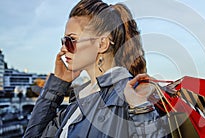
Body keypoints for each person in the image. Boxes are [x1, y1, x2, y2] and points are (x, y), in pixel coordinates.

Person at [23, 0, 170, 137]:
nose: (63, 49)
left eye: (70, 40)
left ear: (102, 44)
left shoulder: (131, 95)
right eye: (63, 41)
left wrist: (141, 110)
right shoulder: (80, 101)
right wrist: (57, 85)